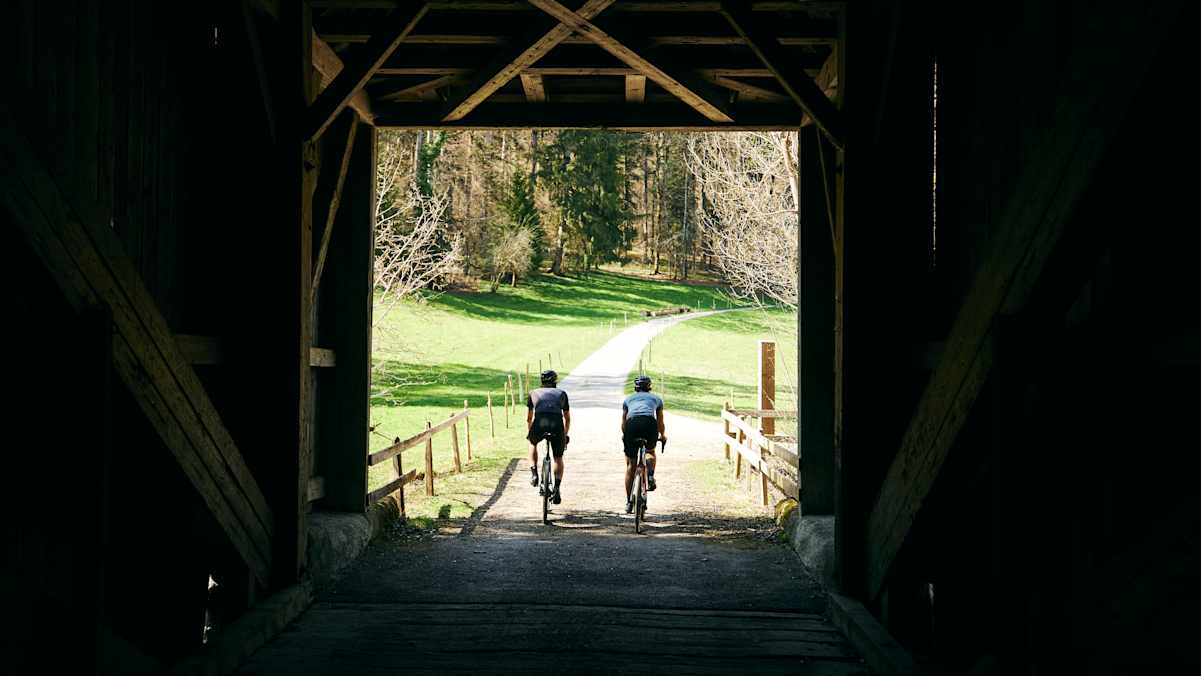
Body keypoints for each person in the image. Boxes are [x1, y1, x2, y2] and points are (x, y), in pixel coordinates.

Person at [621, 374, 666, 514]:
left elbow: (623, 422)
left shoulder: (628, 399)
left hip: (632, 425)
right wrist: (662, 435)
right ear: (649, 387)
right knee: (650, 451)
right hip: (649, 424)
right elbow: (660, 422)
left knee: (631, 465)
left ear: (636, 388)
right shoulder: (656, 399)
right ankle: (650, 475)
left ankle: (629, 502)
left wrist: (625, 435)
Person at [527, 369, 570, 504]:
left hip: (539, 423)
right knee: (558, 457)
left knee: (532, 443)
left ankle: (534, 474)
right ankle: (557, 488)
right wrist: (565, 434)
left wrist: (530, 433)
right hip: (556, 424)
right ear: (555, 382)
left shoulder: (533, 393)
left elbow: (528, 418)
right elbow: (567, 418)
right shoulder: (562, 394)